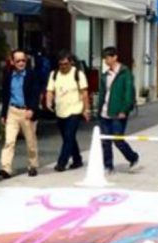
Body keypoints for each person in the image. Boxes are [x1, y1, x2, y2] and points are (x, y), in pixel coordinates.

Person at [0, 49, 41, 178]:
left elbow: (35, 93)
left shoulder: (31, 75)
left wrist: (32, 109)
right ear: (12, 62)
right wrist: (4, 114)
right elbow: (5, 95)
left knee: (30, 141)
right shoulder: (8, 75)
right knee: (9, 141)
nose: (21, 63)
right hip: (12, 110)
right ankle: (6, 167)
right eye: (18, 61)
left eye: (23, 60)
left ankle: (32, 165)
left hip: (26, 110)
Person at [45, 50, 91, 171]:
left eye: (65, 64)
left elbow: (84, 93)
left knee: (69, 136)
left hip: (75, 110)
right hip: (60, 110)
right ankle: (77, 159)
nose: (63, 67)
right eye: (60, 64)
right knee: (68, 138)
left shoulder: (78, 74)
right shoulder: (54, 74)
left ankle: (62, 163)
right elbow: (50, 90)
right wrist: (48, 101)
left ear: (71, 62)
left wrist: (86, 109)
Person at [97, 46, 140, 174]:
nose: (106, 61)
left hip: (118, 111)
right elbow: (102, 93)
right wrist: (98, 109)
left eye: (108, 58)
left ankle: (133, 157)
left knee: (117, 139)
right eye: (105, 58)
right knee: (105, 141)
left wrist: (124, 109)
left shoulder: (125, 73)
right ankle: (108, 165)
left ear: (115, 57)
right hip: (105, 111)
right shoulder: (105, 75)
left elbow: (129, 92)